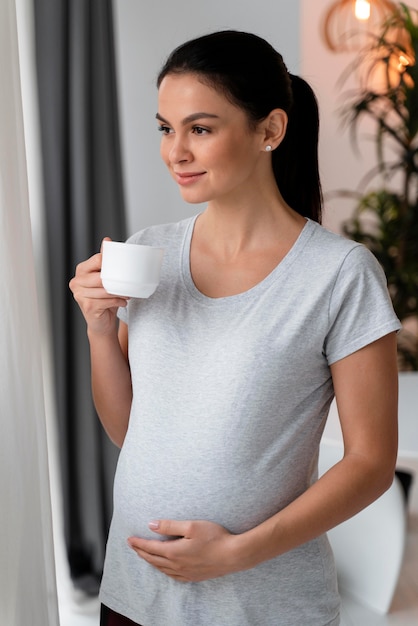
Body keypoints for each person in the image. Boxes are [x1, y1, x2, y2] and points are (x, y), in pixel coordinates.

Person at [69, 30, 401, 626]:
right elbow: (131, 430)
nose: (176, 152)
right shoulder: (149, 254)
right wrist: (99, 328)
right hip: (134, 595)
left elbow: (372, 462)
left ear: (270, 131)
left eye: (201, 128)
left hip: (262, 606)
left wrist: (233, 553)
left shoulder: (339, 274)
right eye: (166, 128)